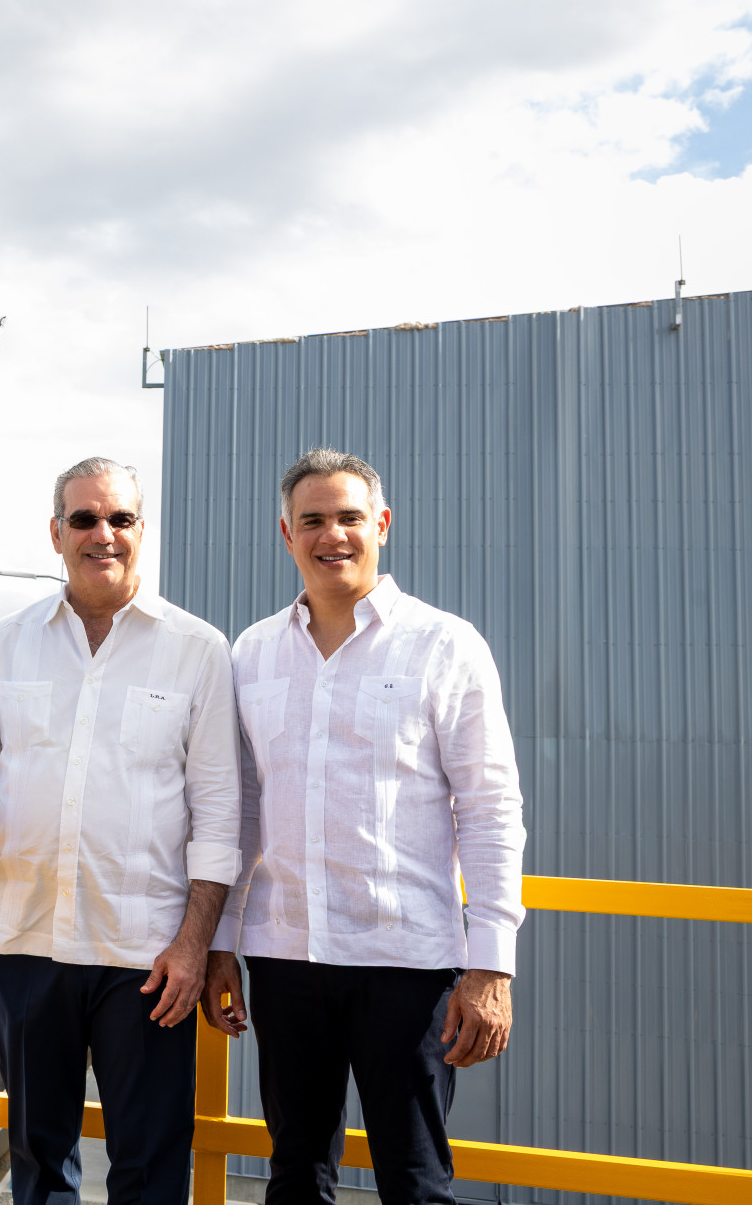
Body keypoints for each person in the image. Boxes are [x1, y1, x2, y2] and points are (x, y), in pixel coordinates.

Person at [0, 456, 241, 1205]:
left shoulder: (197, 649)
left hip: (146, 953)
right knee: (39, 1161)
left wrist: (196, 944)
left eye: (120, 518)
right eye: (84, 519)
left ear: (142, 530)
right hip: (25, 943)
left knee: (150, 1165)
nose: (102, 534)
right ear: (57, 534)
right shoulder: (9, 641)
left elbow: (219, 811)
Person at [202, 448, 526, 1204]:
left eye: (349, 517)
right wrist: (221, 943)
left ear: (381, 524)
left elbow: (490, 807)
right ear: (287, 534)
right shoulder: (254, 652)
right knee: (294, 1175)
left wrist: (491, 966)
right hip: (284, 959)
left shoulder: (444, 644)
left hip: (406, 961)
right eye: (312, 520)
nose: (332, 535)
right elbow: (241, 808)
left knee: (415, 1183)